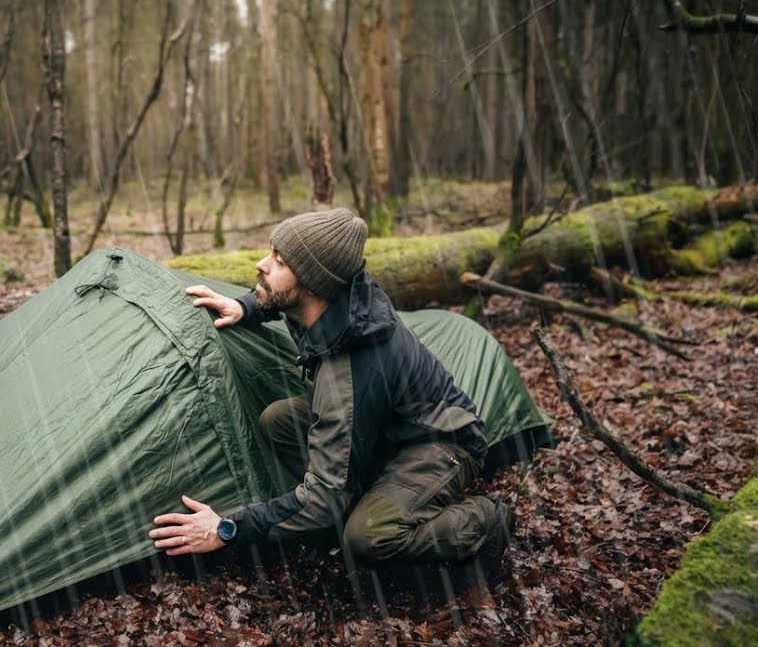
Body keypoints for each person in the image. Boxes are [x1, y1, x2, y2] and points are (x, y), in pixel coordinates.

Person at [149, 207, 514, 586]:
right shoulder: (332, 299)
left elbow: (323, 494)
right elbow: (283, 296)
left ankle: (487, 518)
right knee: (281, 419)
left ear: (312, 282)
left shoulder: (351, 369)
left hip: (441, 442)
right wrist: (246, 305)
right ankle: (356, 502)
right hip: (386, 430)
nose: (261, 264)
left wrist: (227, 528)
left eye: (278, 260)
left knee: (368, 537)